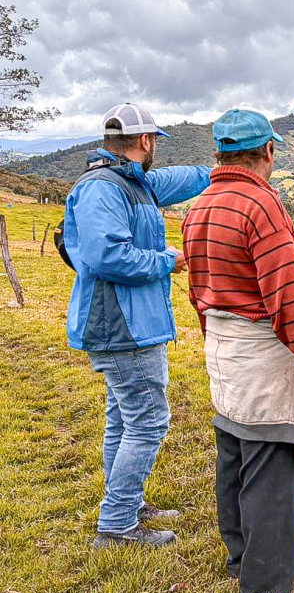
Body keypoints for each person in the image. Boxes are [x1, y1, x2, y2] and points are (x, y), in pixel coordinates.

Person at [182, 108, 294, 593]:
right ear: (268, 151)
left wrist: (214, 341)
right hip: (260, 354)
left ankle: (241, 559)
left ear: (220, 152)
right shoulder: (260, 207)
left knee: (235, 459)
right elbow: (289, 298)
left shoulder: (200, 206)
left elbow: (199, 289)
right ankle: (268, 583)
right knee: (271, 470)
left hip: (223, 351)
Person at [63, 103, 211, 548]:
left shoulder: (133, 184)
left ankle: (126, 502)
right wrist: (171, 260)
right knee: (148, 419)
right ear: (146, 142)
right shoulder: (103, 190)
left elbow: (182, 179)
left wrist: (220, 169)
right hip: (120, 325)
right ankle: (117, 524)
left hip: (126, 322)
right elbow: (109, 257)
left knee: (122, 419)